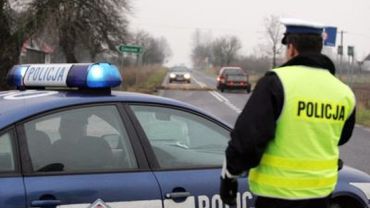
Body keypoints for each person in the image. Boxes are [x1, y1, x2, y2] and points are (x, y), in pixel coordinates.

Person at [220, 18, 356, 208]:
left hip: (276, 198)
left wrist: (229, 175)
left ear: (291, 48)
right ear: (319, 48)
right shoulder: (344, 92)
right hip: (322, 196)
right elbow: (341, 137)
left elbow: (248, 140)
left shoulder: (276, 82)